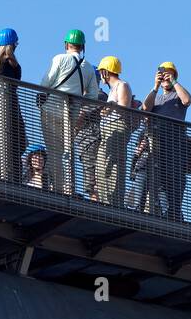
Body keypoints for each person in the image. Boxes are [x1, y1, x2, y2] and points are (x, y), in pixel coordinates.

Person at [38, 29, 100, 194]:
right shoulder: (88, 67)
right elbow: (93, 95)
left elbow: (46, 82)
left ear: (66, 44)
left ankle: (57, 189)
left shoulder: (59, 59)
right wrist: (80, 106)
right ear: (82, 46)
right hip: (71, 115)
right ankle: (69, 188)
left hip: (51, 110)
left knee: (54, 151)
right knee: (67, 151)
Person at [141, 62, 191, 221]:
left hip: (175, 141)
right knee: (158, 178)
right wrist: (155, 86)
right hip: (157, 142)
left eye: (169, 74)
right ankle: (164, 213)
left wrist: (174, 82)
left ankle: (175, 213)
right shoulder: (155, 96)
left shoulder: (178, 93)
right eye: (163, 74)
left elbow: (187, 100)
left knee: (175, 177)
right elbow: (144, 109)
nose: (165, 77)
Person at [0, 27, 26, 184]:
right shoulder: (16, 67)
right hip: (13, 110)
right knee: (15, 143)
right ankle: (15, 179)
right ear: (14, 45)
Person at [95, 57, 132, 208]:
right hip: (108, 130)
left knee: (113, 166)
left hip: (116, 128)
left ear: (106, 71)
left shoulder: (122, 85)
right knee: (102, 167)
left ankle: (114, 204)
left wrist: (111, 106)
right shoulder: (112, 89)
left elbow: (123, 107)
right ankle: (106, 201)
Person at [75, 90, 107, 201]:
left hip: (91, 140)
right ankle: (96, 203)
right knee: (91, 177)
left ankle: (96, 205)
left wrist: (73, 127)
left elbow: (81, 116)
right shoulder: (96, 95)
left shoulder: (97, 95)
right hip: (86, 141)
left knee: (92, 177)